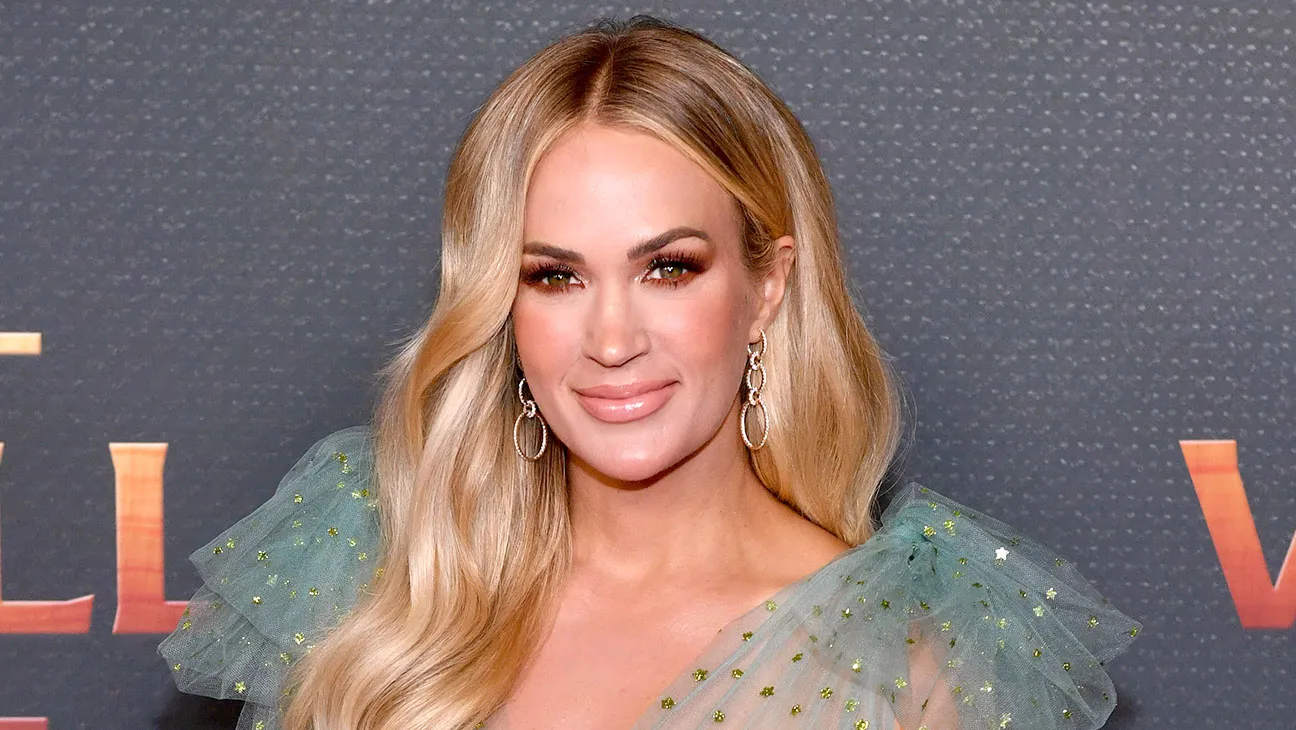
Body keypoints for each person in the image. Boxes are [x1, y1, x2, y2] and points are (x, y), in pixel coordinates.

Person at [158, 15, 1141, 730]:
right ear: (501, 303)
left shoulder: (903, 653)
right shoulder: (383, 584)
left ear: (766, 287)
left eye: (668, 267)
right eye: (555, 276)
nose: (612, 337)